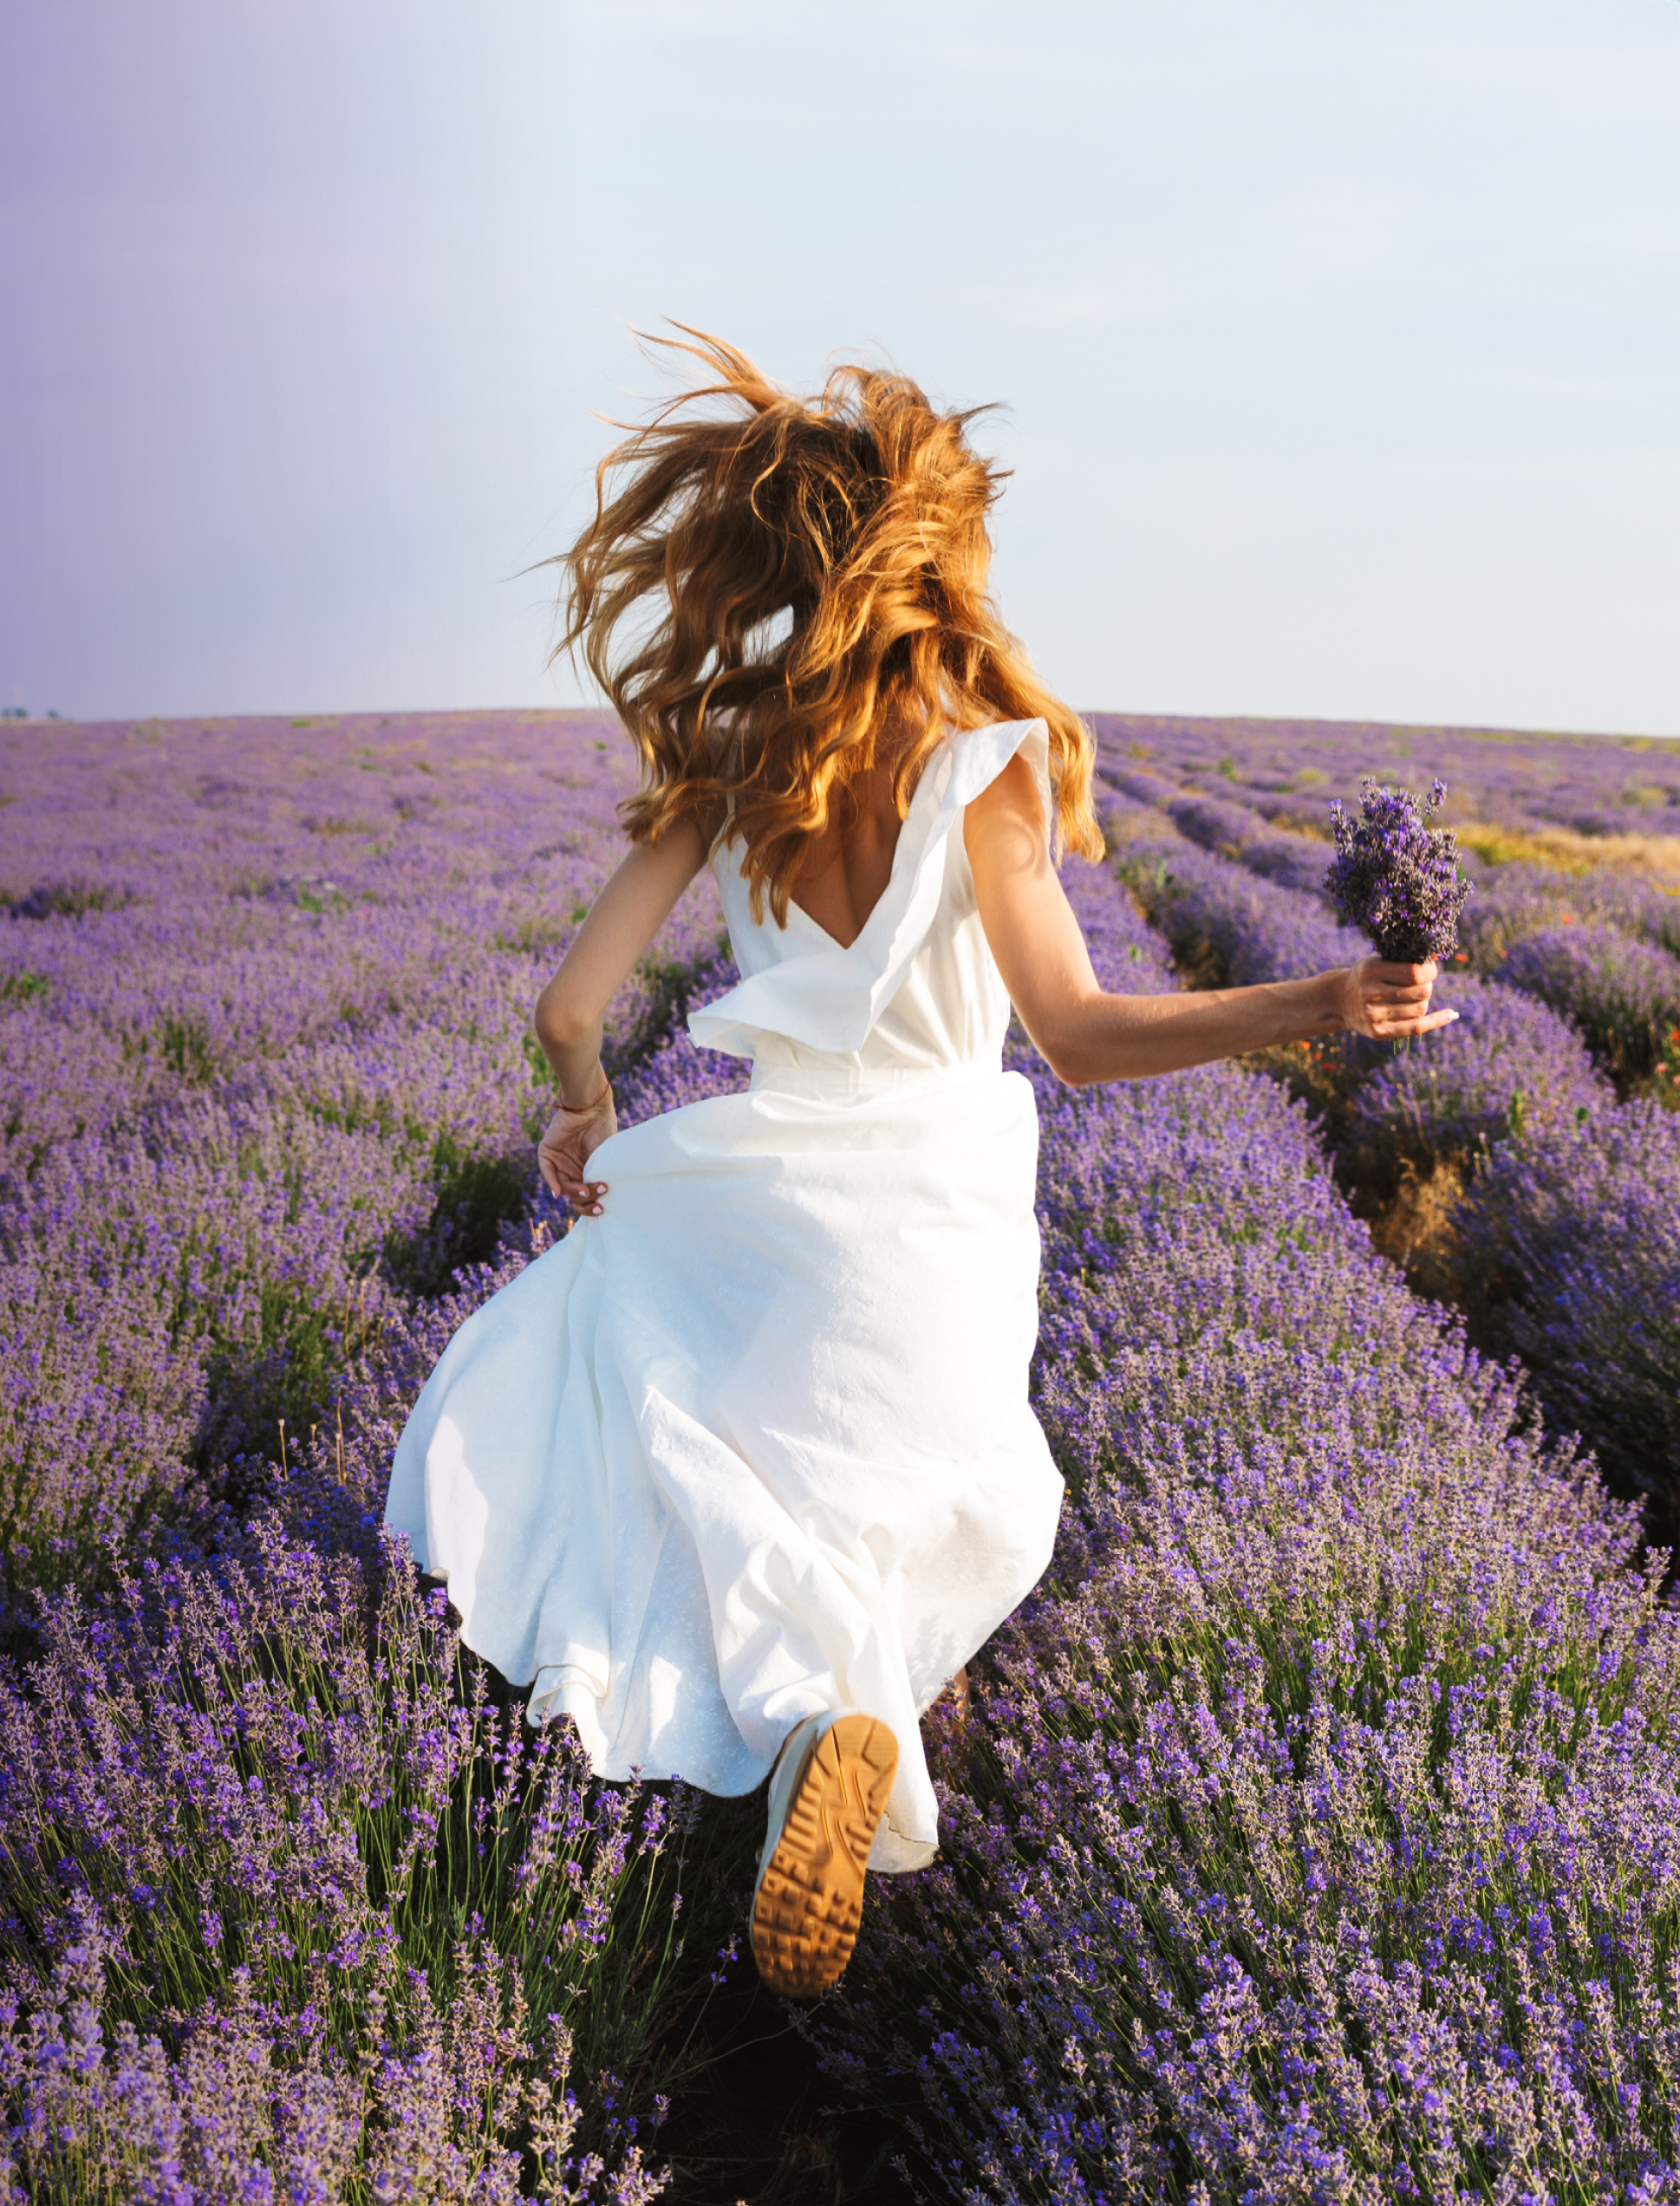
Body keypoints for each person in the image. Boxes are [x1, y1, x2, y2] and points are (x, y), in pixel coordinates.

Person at [383, 329, 1455, 2000]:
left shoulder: (733, 756)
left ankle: (813, 1736)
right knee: (883, 1517)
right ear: (933, 561)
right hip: (930, 1229)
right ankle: (853, 1745)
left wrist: (590, 1122)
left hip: (753, 1201)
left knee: (689, 1461)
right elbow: (1082, 1032)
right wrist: (1320, 998)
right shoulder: (982, 769)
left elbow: (568, 1004)